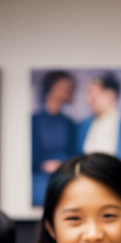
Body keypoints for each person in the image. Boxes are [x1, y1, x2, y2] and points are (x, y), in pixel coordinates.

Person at [32, 70, 76, 206]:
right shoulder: (34, 121)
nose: (69, 90)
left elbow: (75, 153)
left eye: (71, 87)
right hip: (41, 177)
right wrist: (44, 166)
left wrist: (64, 166)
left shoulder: (69, 122)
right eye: (65, 86)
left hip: (67, 174)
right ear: (52, 87)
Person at [76, 73, 121, 172]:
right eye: (89, 93)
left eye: (95, 93)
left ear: (111, 94)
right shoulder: (84, 124)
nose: (90, 99)